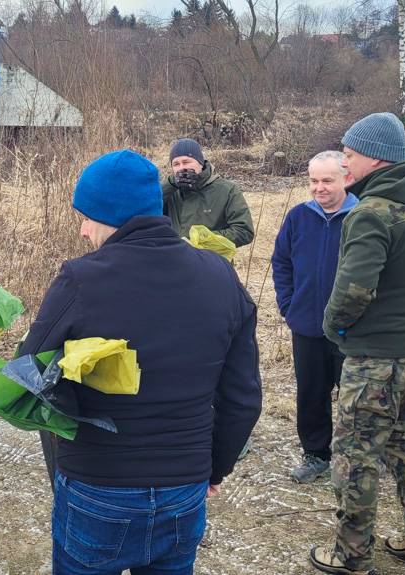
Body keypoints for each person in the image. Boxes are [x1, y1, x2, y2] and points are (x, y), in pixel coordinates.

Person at [20, 149, 262, 574]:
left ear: (111, 214)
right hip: (184, 486)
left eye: (87, 216)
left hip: (99, 487)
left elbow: (28, 374)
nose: (82, 230)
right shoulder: (220, 275)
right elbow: (243, 397)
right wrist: (214, 469)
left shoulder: (80, 278)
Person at [310, 113, 405, 575]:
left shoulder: (373, 212)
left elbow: (353, 292)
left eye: (349, 154)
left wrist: (333, 331)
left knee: (354, 453)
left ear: (374, 156)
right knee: (397, 437)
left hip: (378, 357)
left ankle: (351, 555)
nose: (344, 163)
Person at [271, 151, 357, 484]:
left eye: (327, 180)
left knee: (354, 397)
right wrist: (288, 305)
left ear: (346, 178)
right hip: (306, 324)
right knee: (310, 393)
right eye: (313, 180)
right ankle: (316, 454)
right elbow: (281, 262)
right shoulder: (298, 217)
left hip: (350, 329)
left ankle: (353, 461)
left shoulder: (361, 216)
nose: (318, 188)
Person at [161, 138, 255, 248]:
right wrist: (171, 184)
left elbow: (244, 231)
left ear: (200, 163)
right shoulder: (170, 191)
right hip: (175, 260)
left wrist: (201, 239)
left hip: (212, 261)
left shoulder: (227, 190)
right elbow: (144, 209)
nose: (182, 168)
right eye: (176, 164)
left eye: (186, 162)